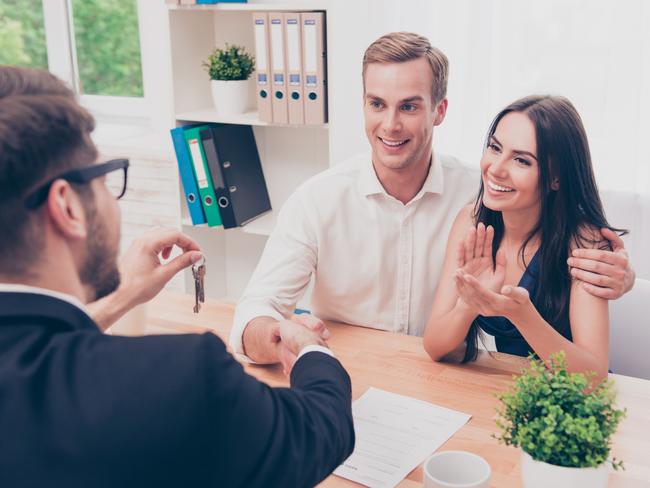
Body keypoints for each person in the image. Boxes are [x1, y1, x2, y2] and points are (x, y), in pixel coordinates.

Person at [0, 66, 354, 487]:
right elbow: (315, 433)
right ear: (68, 208)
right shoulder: (181, 380)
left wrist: (123, 296)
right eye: (103, 177)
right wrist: (314, 351)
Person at [231, 32, 635, 366]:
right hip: (353, 370)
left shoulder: (478, 198)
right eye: (377, 104)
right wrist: (282, 336)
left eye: (409, 106)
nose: (390, 124)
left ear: (439, 110)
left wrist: (626, 279)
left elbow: (572, 252)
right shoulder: (318, 201)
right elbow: (256, 307)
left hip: (451, 385)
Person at [424, 95, 621, 381]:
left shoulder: (583, 243)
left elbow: (593, 378)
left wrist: (523, 316)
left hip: (567, 405)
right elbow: (434, 346)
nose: (496, 168)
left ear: (556, 178)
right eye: (494, 147)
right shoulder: (471, 221)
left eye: (521, 160)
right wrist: (468, 304)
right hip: (504, 392)